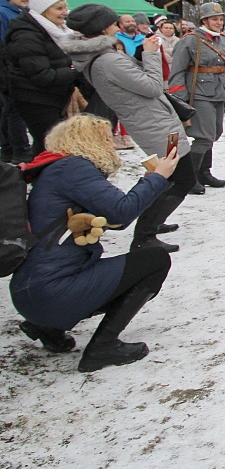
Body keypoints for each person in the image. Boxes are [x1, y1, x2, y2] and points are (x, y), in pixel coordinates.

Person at [9, 114, 179, 372]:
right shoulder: (74, 169)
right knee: (154, 260)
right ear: (91, 141)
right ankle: (103, 346)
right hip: (53, 292)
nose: (111, 145)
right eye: (107, 140)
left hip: (31, 294)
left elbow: (117, 218)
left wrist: (149, 181)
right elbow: (122, 212)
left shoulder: (57, 169)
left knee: (120, 268)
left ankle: (46, 327)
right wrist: (159, 177)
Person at [66, 3, 195, 252]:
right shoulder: (108, 61)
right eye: (113, 22)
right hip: (157, 127)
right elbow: (153, 87)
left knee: (167, 177)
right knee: (180, 179)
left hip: (153, 123)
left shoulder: (101, 58)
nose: (118, 26)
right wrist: (150, 54)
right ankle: (146, 233)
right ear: (103, 28)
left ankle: (153, 222)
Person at [167, 2, 225, 194]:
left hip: (218, 92)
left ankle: (203, 173)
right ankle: (187, 179)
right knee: (204, 136)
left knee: (214, 133)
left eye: (221, 19)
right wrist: (180, 99)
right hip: (198, 94)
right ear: (204, 20)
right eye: (214, 19)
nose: (218, 22)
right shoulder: (190, 40)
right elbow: (177, 72)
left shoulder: (224, 41)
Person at [5, 0, 79, 156]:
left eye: (65, 7)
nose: (65, 12)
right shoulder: (26, 35)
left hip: (53, 97)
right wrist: (76, 71)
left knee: (46, 146)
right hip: (35, 98)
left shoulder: (55, 31)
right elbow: (43, 75)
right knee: (52, 147)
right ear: (43, 10)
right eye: (59, 8)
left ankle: (40, 177)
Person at [0, 0, 33, 164]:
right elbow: (4, 45)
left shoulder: (16, 12)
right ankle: (20, 149)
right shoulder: (4, 14)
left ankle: (8, 149)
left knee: (9, 111)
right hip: (8, 69)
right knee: (14, 111)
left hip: (11, 67)